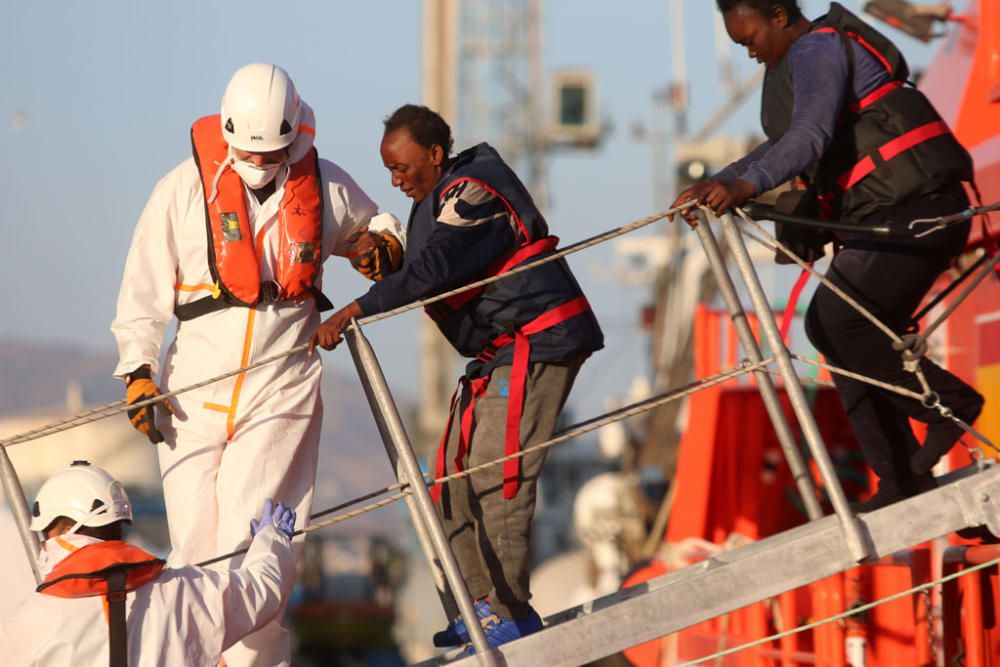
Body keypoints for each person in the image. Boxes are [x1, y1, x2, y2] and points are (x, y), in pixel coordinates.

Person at [110, 63, 404, 665]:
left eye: (271, 153)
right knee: (193, 550)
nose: (259, 163)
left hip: (280, 388)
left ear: (294, 138)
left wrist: (385, 246)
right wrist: (138, 372)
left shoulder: (323, 185)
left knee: (250, 547)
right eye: (247, 150)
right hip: (192, 391)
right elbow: (142, 287)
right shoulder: (182, 189)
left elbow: (372, 226)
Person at [311, 104, 604, 651]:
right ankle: (479, 608)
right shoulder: (432, 203)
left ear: (435, 155)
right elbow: (421, 263)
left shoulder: (474, 192)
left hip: (539, 342)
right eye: (389, 172)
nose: (396, 182)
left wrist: (357, 308)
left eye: (402, 169)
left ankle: (511, 614)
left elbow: (437, 268)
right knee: (446, 478)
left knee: (498, 477)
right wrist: (374, 254)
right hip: (498, 355)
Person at [671, 0, 984, 511]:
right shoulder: (801, 58)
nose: (749, 53)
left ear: (777, 15)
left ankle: (950, 404)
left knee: (840, 324)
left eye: (749, 39)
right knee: (829, 329)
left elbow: (810, 136)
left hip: (920, 212)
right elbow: (778, 145)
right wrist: (720, 182)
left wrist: (745, 186)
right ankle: (902, 480)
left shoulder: (817, 48)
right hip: (891, 213)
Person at [0, 461, 298, 666]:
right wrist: (271, 539)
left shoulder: (33, 618)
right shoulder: (184, 591)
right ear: (120, 525)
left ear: (59, 531)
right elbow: (260, 590)